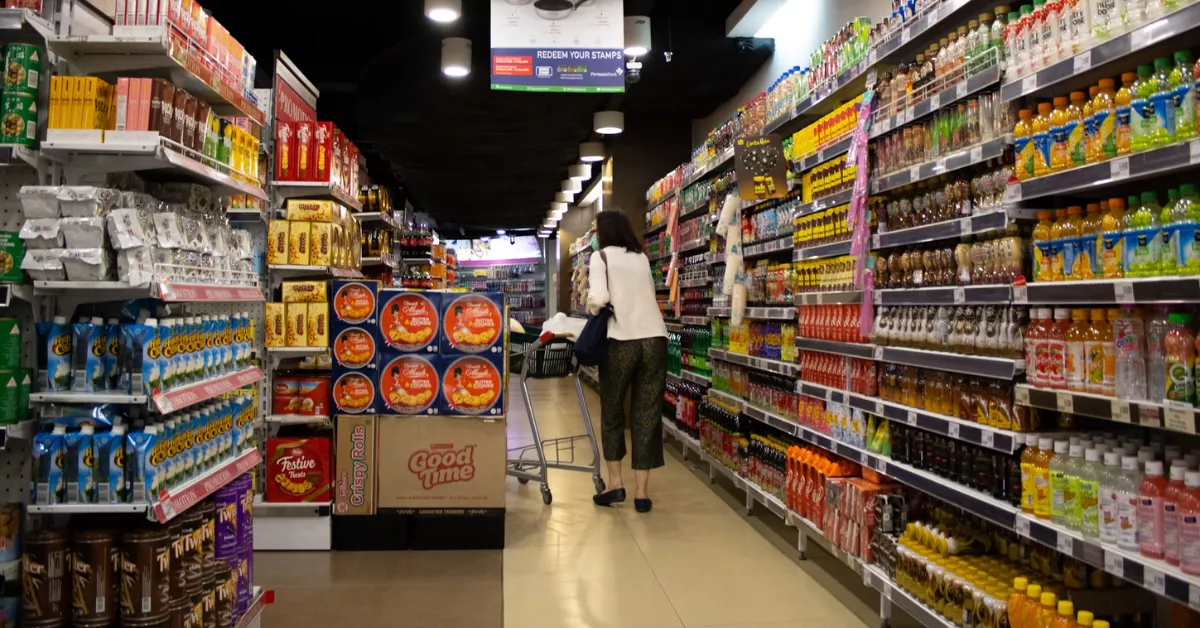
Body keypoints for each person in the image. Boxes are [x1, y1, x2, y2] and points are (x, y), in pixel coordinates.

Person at [586, 210, 668, 513]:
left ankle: (615, 484)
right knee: (647, 413)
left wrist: (592, 306)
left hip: (621, 340)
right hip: (655, 339)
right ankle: (642, 494)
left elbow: (599, 298)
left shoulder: (600, 257)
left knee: (612, 411)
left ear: (604, 232)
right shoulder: (641, 257)